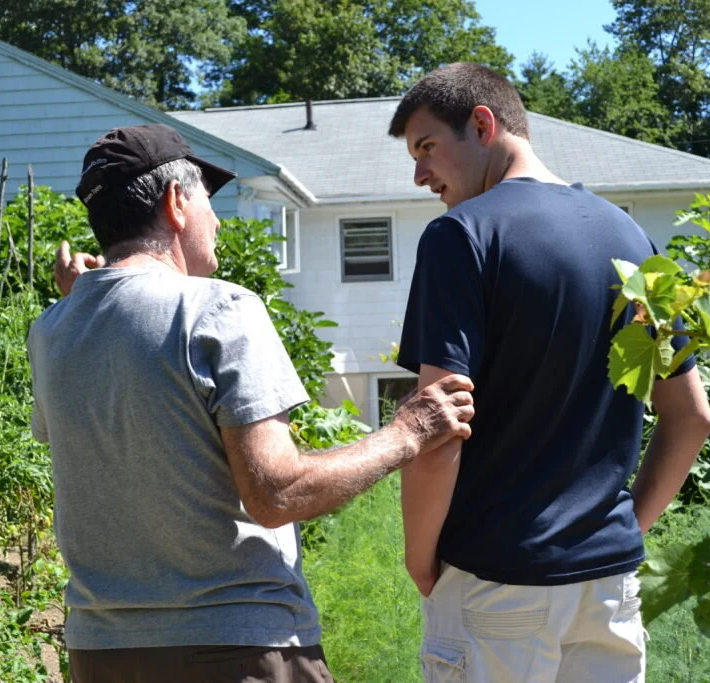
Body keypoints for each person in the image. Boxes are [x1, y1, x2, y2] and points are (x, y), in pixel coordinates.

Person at [28, 123, 476, 683]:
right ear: (174, 202)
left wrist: (81, 301)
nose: (216, 219)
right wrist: (408, 431)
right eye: (207, 200)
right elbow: (276, 493)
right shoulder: (218, 309)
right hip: (236, 649)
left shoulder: (50, 330)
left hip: (100, 652)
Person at [387, 63, 710, 682]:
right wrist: (617, 531)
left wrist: (420, 561)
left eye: (427, 148)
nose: (419, 173)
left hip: (496, 584)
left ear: (483, 125)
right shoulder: (631, 237)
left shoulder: (461, 237)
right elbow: (692, 416)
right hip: (608, 588)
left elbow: (438, 426)